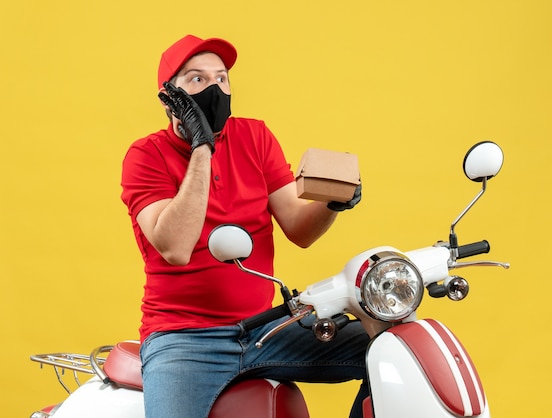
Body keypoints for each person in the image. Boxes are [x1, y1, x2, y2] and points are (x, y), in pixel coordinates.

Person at [120, 34, 368, 418]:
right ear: (169, 97)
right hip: (183, 341)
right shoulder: (145, 155)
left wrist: (332, 202)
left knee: (387, 347)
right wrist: (202, 148)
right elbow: (175, 246)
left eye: (222, 78)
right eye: (197, 79)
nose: (215, 88)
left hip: (264, 330)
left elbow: (299, 229)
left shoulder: (254, 136)